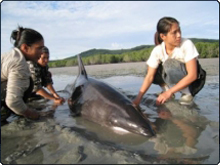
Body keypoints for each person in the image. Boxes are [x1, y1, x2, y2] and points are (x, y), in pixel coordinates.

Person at [133, 16, 206, 106]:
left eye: (179, 31)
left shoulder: (187, 44)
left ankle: (186, 93)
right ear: (163, 36)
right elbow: (149, 77)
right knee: (148, 69)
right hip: (174, 76)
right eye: (174, 33)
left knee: (169, 64)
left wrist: (170, 92)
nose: (179, 35)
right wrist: (138, 98)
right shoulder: (158, 50)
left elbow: (193, 75)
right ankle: (166, 90)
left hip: (194, 82)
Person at [1, 26, 44, 123]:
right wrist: (32, 114)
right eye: (39, 48)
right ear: (25, 47)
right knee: (29, 83)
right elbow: (13, 101)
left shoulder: (10, 55)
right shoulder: (19, 64)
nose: (41, 53)